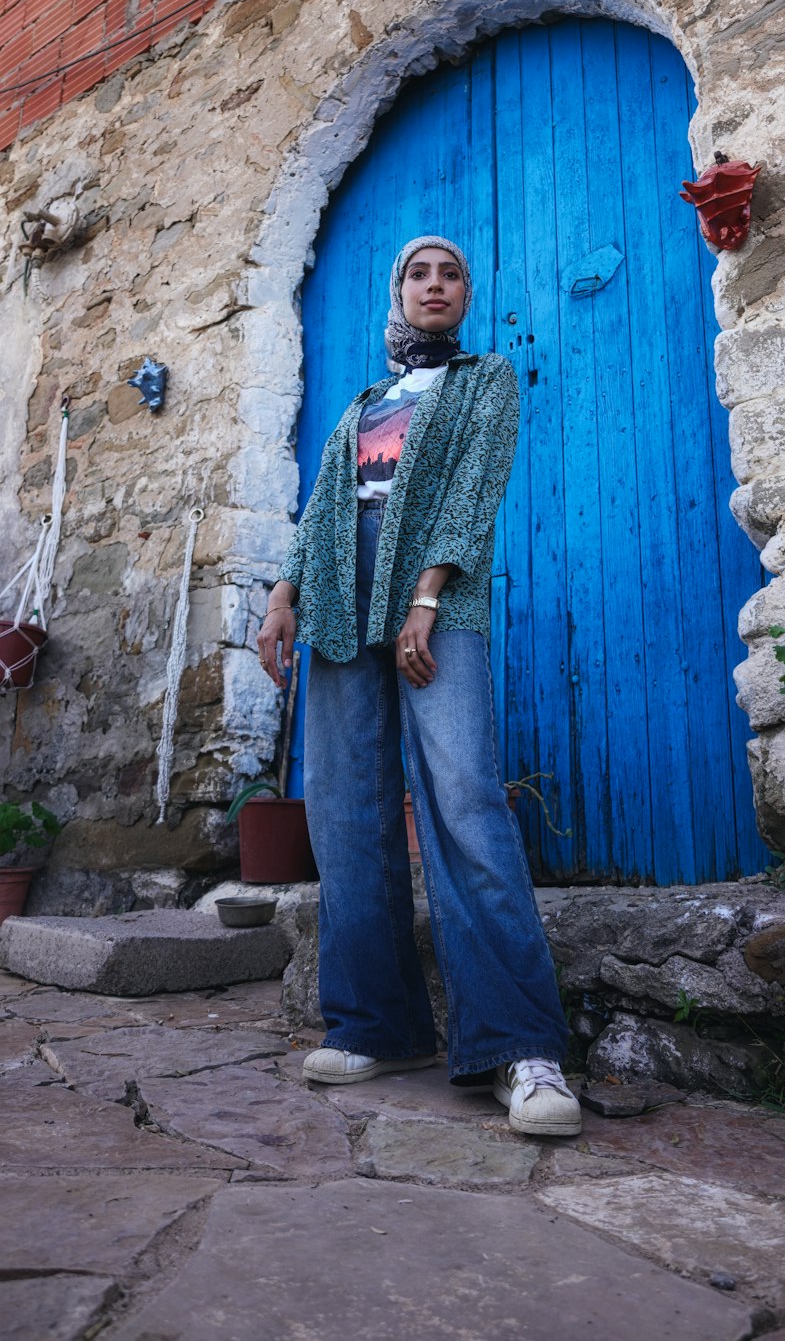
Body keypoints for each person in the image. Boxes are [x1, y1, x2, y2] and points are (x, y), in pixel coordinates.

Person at [257, 235, 581, 1138]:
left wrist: (427, 597)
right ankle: (376, 1026)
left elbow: (474, 491)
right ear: (396, 293)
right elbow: (322, 509)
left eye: (452, 275)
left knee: (465, 798)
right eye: (418, 274)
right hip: (335, 592)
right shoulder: (364, 401)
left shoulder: (486, 381)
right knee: (347, 810)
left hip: (435, 596)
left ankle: (521, 1046)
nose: (435, 286)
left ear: (467, 296)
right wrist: (284, 595)